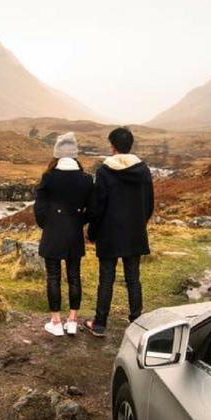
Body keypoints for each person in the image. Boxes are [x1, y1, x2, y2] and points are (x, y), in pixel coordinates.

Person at [84, 127, 154, 337]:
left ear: (113, 146)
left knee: (106, 279)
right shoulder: (143, 170)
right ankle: (137, 322)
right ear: (130, 145)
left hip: (109, 234)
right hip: (134, 233)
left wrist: (92, 232)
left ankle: (99, 324)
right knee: (133, 278)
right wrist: (139, 223)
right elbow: (149, 203)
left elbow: (97, 207)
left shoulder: (105, 171)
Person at [34, 132, 94, 337]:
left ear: (57, 154)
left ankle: (56, 322)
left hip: (53, 233)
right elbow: (91, 209)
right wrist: (79, 220)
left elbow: (39, 209)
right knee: (74, 276)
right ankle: (73, 321)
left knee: (53, 276)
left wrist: (48, 224)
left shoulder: (48, 178)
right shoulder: (86, 179)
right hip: (74, 234)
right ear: (75, 154)